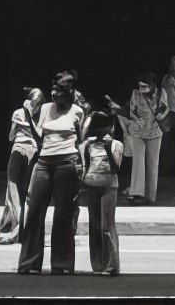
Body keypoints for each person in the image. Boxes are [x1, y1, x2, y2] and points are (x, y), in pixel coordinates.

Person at [17, 71, 85, 275]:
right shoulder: (46, 108)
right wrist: (29, 116)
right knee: (34, 210)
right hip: (44, 162)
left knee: (63, 215)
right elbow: (39, 138)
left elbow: (81, 141)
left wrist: (82, 169)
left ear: (70, 91)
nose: (55, 94)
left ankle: (61, 264)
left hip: (67, 162)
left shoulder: (78, 112)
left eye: (60, 90)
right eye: (53, 90)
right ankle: (29, 262)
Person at [0, 87, 44, 246]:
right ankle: (8, 228)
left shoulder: (18, 113)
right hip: (34, 151)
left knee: (13, 191)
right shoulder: (45, 113)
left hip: (18, 150)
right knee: (27, 192)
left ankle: (17, 231)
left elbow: (10, 136)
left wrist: (21, 125)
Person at [76, 111, 123, 276]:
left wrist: (108, 149)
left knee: (106, 225)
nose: (109, 130)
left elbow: (116, 168)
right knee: (94, 225)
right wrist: (81, 186)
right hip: (91, 187)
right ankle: (98, 264)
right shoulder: (87, 145)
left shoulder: (116, 144)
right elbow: (85, 165)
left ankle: (112, 265)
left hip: (109, 187)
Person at [119, 72, 169, 205]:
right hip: (138, 132)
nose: (141, 89)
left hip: (155, 131)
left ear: (152, 86)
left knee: (152, 164)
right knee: (138, 163)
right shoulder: (135, 93)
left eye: (145, 87)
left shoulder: (160, 93)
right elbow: (132, 110)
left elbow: (165, 108)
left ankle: (150, 195)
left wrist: (159, 115)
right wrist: (137, 119)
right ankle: (137, 193)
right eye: (140, 86)